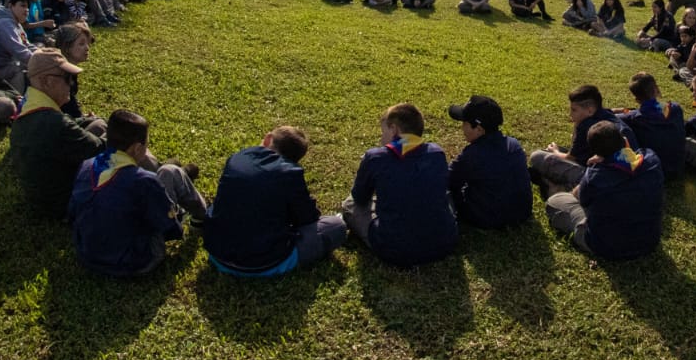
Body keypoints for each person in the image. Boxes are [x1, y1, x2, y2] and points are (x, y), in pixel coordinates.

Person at [68, 109, 209, 277]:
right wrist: (176, 218)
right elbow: (169, 228)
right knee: (170, 172)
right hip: (136, 262)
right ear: (136, 148)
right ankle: (203, 216)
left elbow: (73, 212)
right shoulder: (144, 181)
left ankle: (179, 172)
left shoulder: (86, 166)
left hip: (88, 255)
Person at [204, 125, 348, 277]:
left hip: (217, 253)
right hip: (266, 262)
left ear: (267, 139)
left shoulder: (237, 158)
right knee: (336, 226)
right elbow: (307, 218)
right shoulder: (291, 174)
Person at [341, 102, 458, 266]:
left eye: (384, 132)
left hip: (395, 249)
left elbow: (359, 198)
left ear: (394, 129)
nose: (382, 139)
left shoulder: (376, 157)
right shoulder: (436, 152)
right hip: (444, 242)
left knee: (350, 204)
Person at [544, 120, 664, 260]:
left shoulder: (596, 176)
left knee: (555, 201)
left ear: (595, 153)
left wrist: (592, 168)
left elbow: (579, 197)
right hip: (649, 241)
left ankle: (555, 188)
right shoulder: (652, 159)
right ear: (624, 140)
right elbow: (632, 156)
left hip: (606, 247)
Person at [9, 48, 106, 219]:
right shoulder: (54, 123)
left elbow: (70, 125)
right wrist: (118, 131)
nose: (71, 84)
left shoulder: (28, 108)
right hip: (66, 204)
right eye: (67, 78)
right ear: (46, 81)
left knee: (97, 124)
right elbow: (99, 148)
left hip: (43, 198)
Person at [527, 85, 637, 194]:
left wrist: (555, 151)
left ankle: (557, 189)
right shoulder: (605, 115)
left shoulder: (587, 125)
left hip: (601, 177)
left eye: (574, 110)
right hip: (628, 175)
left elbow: (571, 157)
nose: (570, 114)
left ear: (589, 111)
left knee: (537, 156)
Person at [445, 95, 532, 229]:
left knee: (445, 193)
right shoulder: (514, 145)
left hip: (488, 218)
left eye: (465, 123)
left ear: (479, 129)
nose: (462, 128)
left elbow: (448, 180)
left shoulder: (472, 155)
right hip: (522, 212)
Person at [618, 71, 687, 178]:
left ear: (636, 99)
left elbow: (607, 117)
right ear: (656, 89)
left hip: (653, 171)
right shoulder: (675, 109)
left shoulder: (631, 119)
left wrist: (619, 110)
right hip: (678, 168)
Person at [53, 21, 108, 136]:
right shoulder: (60, 74)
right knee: (102, 126)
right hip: (57, 130)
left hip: (64, 121)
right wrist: (82, 118)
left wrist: (82, 117)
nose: (87, 48)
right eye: (81, 44)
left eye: (87, 43)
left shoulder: (68, 69)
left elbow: (71, 107)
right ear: (67, 47)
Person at [0, 0, 38, 93]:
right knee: (22, 70)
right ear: (10, 6)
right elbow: (20, 52)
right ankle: (19, 104)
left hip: (7, 67)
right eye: (22, 5)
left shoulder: (15, 23)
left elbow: (27, 45)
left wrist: (43, 54)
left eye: (28, 6)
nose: (27, 9)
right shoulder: (5, 24)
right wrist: (42, 62)